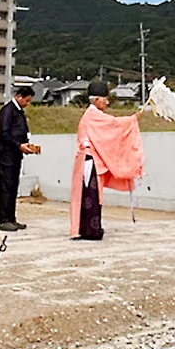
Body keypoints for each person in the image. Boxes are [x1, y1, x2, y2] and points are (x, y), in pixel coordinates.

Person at [71, 81, 145, 240]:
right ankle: (90, 231)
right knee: (90, 196)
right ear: (96, 100)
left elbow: (110, 128)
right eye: (105, 98)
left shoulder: (92, 115)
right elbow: (114, 125)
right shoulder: (93, 115)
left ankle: (88, 229)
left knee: (91, 196)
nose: (107, 102)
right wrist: (134, 118)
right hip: (89, 160)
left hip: (89, 160)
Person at [0, 86, 38, 232]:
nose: (27, 103)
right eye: (26, 100)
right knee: (6, 186)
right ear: (19, 97)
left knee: (13, 186)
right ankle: (4, 219)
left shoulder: (19, 112)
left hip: (15, 153)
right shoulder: (7, 111)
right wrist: (19, 145)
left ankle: (11, 218)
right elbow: (4, 134)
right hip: (7, 153)